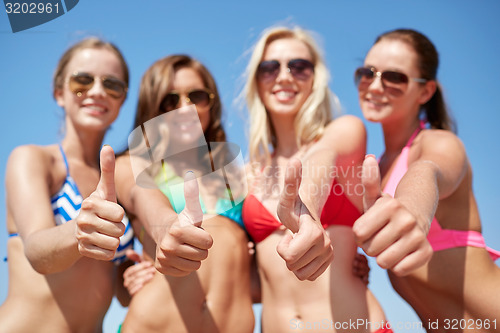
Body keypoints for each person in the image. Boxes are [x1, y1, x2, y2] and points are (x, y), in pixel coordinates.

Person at [241, 25, 391, 333]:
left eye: (298, 67)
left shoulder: (344, 130)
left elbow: (322, 158)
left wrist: (304, 209)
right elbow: (257, 282)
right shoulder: (248, 173)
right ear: (256, 80)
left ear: (315, 78)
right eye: (270, 67)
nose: (284, 76)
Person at [353, 28, 500, 330]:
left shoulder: (438, 143)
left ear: (425, 91)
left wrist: (413, 211)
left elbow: (428, 171)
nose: (375, 86)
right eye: (367, 73)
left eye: (395, 77)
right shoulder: (375, 170)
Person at [0, 37, 134, 332]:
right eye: (82, 80)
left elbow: (121, 294)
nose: (97, 91)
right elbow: (37, 250)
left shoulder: (120, 179)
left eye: (112, 85)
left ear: (122, 100)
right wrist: (80, 229)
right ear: (59, 92)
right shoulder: (35, 160)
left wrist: (137, 274)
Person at [114, 54, 255, 333]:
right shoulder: (132, 164)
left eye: (197, 96)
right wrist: (168, 226)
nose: (184, 108)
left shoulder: (235, 173)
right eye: (170, 100)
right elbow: (142, 195)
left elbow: (254, 284)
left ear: (211, 104)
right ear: (152, 106)